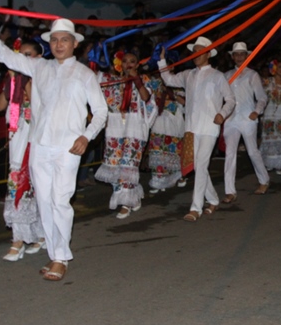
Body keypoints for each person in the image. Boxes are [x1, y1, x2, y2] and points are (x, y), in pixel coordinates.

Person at [0, 6, 108, 282]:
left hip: (69, 147)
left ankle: (61, 257)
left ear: (74, 44)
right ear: (50, 44)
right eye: (55, 40)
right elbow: (4, 55)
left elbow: (102, 112)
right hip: (41, 144)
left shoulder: (84, 75)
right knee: (45, 201)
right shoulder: (39, 66)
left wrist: (86, 136)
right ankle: (55, 254)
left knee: (60, 201)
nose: (59, 44)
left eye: (64, 40)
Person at [158, 36, 235, 222]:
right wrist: (161, 60)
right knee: (198, 166)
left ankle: (195, 208)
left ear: (208, 54)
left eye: (200, 52)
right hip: (191, 127)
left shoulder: (217, 76)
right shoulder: (188, 75)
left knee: (201, 165)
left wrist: (222, 114)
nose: (196, 55)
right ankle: (213, 199)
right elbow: (168, 79)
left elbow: (231, 99)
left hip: (209, 127)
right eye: (194, 52)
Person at [0, 40, 44, 261]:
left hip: (36, 140)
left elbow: (38, 106)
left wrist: (24, 81)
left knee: (37, 189)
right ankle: (19, 239)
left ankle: (38, 235)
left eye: (29, 55)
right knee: (18, 186)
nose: (23, 59)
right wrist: (11, 81)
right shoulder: (13, 81)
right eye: (20, 55)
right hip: (18, 141)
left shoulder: (42, 79)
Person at [95, 50, 156, 219]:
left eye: (132, 61)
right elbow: (93, 77)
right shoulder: (112, 80)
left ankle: (125, 203)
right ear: (119, 64)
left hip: (134, 129)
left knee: (128, 165)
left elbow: (146, 98)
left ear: (137, 65)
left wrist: (136, 78)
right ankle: (133, 197)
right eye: (125, 61)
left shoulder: (144, 79)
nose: (128, 64)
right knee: (114, 166)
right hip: (115, 128)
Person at [222, 42, 269, 203]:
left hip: (248, 118)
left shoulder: (252, 75)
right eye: (237, 54)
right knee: (230, 153)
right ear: (232, 57)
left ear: (247, 56)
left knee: (252, 151)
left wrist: (257, 111)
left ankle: (264, 180)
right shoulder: (226, 75)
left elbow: (262, 97)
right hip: (231, 119)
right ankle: (230, 191)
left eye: (242, 54)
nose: (239, 57)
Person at [147, 82, 185, 193]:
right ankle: (158, 181)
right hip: (158, 120)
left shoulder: (178, 84)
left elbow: (184, 102)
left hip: (173, 120)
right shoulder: (153, 83)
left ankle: (175, 177)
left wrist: (171, 93)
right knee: (157, 149)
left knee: (172, 150)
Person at [260, 59, 281, 175]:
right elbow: (261, 97)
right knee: (269, 139)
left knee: (280, 139)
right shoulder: (267, 82)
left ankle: (279, 165)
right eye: (279, 67)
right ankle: (268, 163)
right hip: (269, 114)